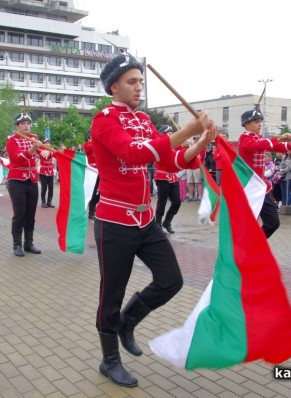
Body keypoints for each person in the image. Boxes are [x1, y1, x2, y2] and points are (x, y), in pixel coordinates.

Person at [90, 52, 216, 388]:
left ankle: (128, 322)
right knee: (110, 294)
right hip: (114, 222)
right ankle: (109, 359)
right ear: (114, 86)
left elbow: (171, 161)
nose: (138, 87)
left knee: (171, 280)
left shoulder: (144, 120)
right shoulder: (104, 120)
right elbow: (133, 153)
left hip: (145, 220)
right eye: (132, 81)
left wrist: (200, 141)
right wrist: (188, 127)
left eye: (140, 81)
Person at [237, 109, 291, 238]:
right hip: (250, 188)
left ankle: (255, 246)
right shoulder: (244, 140)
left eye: (260, 122)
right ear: (246, 124)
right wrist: (280, 138)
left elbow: (274, 146)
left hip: (261, 187)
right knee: (249, 223)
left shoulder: (259, 138)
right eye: (256, 122)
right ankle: (246, 250)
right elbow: (259, 145)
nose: (259, 125)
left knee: (273, 223)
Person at [6, 113, 47, 257]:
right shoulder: (11, 140)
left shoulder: (34, 138)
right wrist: (32, 149)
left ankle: (28, 243)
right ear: (16, 126)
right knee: (19, 214)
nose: (26, 126)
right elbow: (17, 159)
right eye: (23, 123)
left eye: (28, 123)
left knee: (31, 215)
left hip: (32, 180)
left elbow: (43, 153)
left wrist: (48, 152)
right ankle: (17, 244)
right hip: (17, 180)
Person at [154, 125, 183, 234]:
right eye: (169, 134)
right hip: (162, 177)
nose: (172, 135)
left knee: (177, 202)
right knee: (162, 202)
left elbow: (182, 154)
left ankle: (167, 222)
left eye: (172, 133)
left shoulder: (176, 144)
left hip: (173, 177)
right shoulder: (159, 145)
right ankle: (157, 224)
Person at [83, 134, 100, 219]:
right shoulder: (87, 144)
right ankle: (91, 212)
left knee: (100, 192)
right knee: (93, 192)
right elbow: (89, 149)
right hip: (92, 172)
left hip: (100, 171)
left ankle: (97, 210)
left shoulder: (97, 144)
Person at [38, 138, 55, 208]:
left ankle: (49, 202)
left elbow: (56, 154)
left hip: (50, 172)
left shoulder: (51, 150)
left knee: (51, 187)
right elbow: (47, 156)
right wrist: (50, 151)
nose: (48, 144)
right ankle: (43, 202)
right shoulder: (41, 149)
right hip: (43, 172)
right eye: (46, 143)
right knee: (44, 187)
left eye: (48, 142)